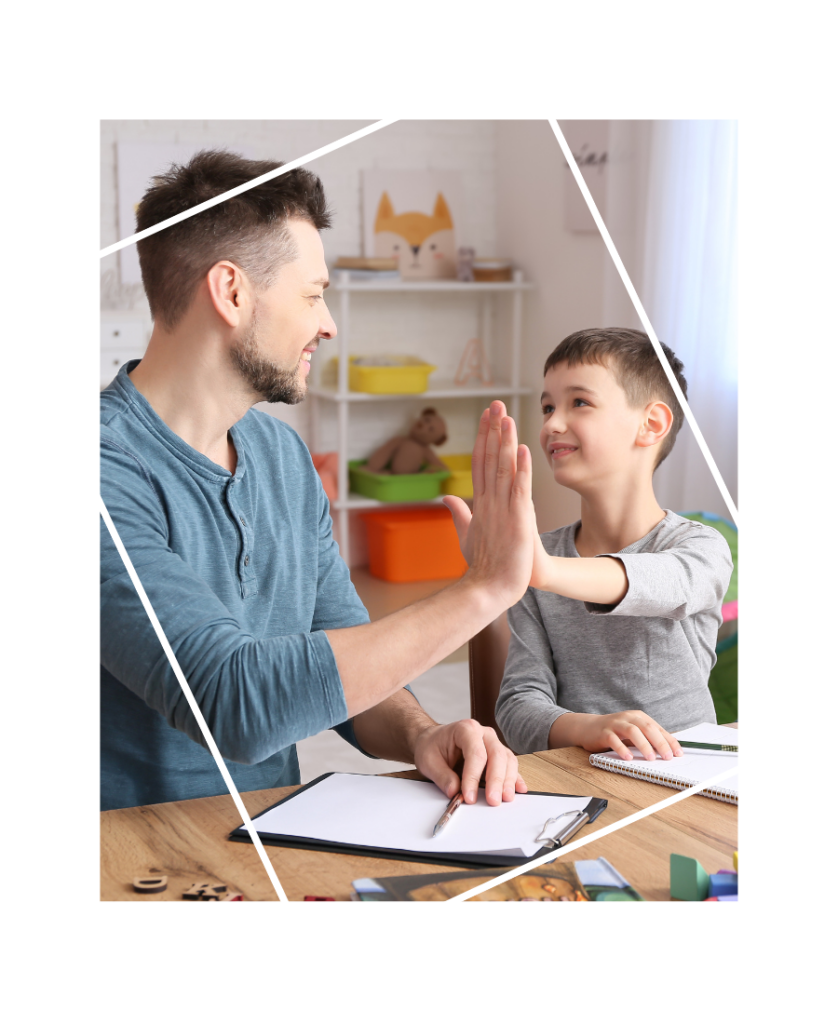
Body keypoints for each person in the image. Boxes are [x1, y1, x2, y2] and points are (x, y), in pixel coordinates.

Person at [99, 150, 534, 813]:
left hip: (270, 841)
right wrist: (484, 590)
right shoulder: (102, 466)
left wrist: (423, 733)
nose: (328, 324)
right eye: (313, 295)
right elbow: (234, 701)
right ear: (232, 292)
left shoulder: (282, 456)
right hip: (138, 859)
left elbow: (347, 664)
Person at [486, 328, 733, 762]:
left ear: (651, 424)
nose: (551, 423)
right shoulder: (538, 560)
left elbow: (663, 584)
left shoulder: (700, 546)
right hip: (574, 774)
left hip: (688, 775)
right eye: (547, 407)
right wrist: (590, 728)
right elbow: (518, 706)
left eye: (578, 402)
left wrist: (542, 570)